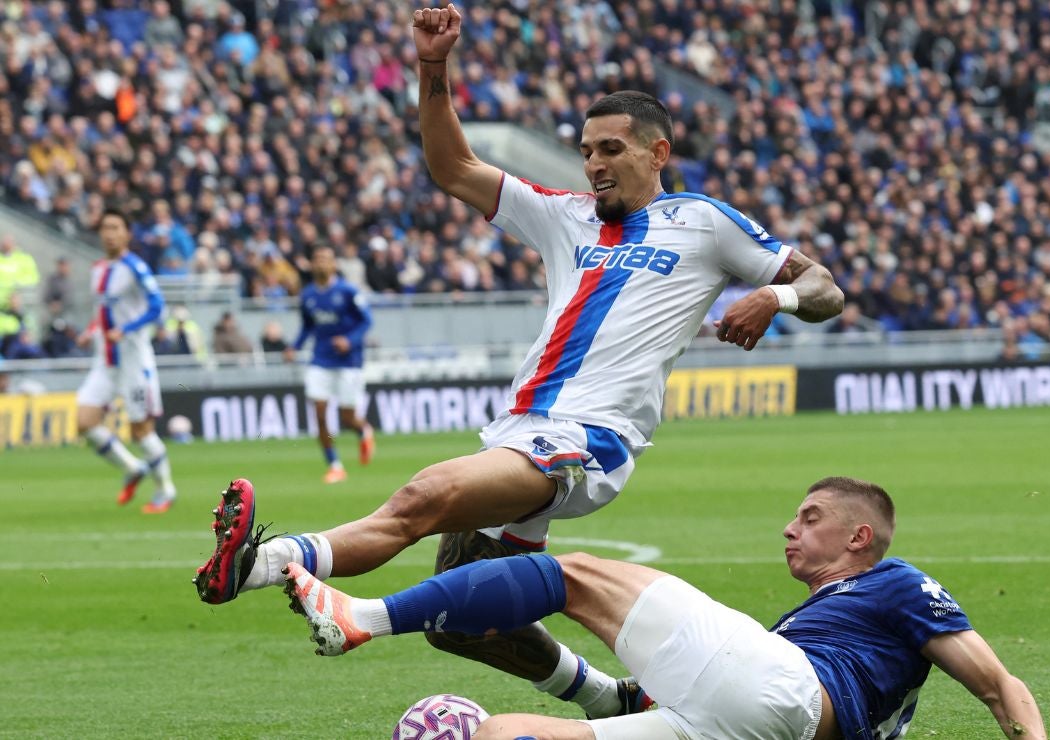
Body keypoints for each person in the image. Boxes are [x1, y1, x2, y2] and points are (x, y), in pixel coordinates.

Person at [193, 2, 844, 722]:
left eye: (611, 150)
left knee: (424, 496)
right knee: (463, 616)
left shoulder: (705, 223)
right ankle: (608, 697)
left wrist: (775, 297)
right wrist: (432, 66)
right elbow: (452, 166)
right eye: (587, 150)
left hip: (588, 438)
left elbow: (826, 287)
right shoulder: (562, 215)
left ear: (657, 153)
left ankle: (260, 564)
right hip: (521, 428)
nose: (593, 163)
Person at [281, 476, 1045, 739]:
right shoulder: (812, 623)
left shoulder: (896, 581)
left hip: (788, 696)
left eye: (811, 516)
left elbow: (998, 685)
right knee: (498, 731)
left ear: (860, 536)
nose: (790, 525)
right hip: (738, 722)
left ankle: (365, 615)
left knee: (574, 576)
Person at [75, 209, 177, 513]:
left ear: (127, 233)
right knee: (84, 422)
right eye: (105, 227)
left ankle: (165, 489)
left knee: (141, 431)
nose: (109, 233)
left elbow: (158, 307)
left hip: (134, 361)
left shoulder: (135, 267)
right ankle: (133, 468)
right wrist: (91, 330)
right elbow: (103, 311)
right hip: (105, 361)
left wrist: (128, 329)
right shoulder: (98, 269)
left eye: (115, 227)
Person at [282, 243, 375, 483]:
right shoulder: (308, 295)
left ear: (334, 264)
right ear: (312, 264)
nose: (322, 262)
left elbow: (366, 322)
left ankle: (364, 430)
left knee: (347, 417)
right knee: (320, 415)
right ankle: (334, 464)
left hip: (348, 362)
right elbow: (308, 326)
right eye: (317, 258)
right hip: (320, 360)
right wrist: (295, 346)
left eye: (326, 258)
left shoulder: (348, 291)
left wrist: (349, 340)